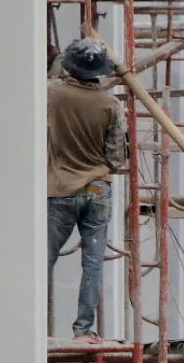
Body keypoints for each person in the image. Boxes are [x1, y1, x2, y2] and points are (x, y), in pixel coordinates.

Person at [48, 38, 128, 340]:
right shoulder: (110, 105)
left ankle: (33, 320)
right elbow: (117, 158)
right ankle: (83, 329)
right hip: (97, 189)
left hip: (60, 187)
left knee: (45, 259)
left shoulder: (50, 94)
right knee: (93, 263)